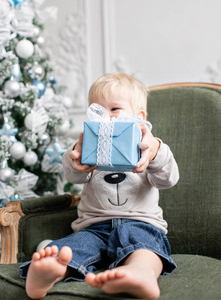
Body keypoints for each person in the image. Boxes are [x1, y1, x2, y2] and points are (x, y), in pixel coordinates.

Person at [20, 73, 179, 299]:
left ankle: (140, 272)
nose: (106, 117)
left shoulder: (149, 147)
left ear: (139, 116)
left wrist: (155, 152)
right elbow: (73, 176)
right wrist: (75, 156)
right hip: (94, 227)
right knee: (74, 246)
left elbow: (168, 179)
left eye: (115, 109)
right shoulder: (88, 145)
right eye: (98, 110)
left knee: (143, 245)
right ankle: (51, 271)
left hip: (140, 223)